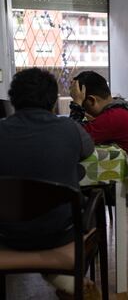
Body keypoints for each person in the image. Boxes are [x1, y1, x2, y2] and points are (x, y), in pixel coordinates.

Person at [0, 68, 99, 298]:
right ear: (54, 100)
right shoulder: (70, 129)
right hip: (59, 234)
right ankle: (62, 273)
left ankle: (56, 274)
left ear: (14, 99)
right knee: (94, 205)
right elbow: (88, 151)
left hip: (6, 235)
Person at [69, 71, 128, 192]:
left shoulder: (114, 117)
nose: (85, 112)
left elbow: (73, 137)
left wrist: (76, 103)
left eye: (85, 107)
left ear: (92, 100)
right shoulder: (119, 108)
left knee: (77, 186)